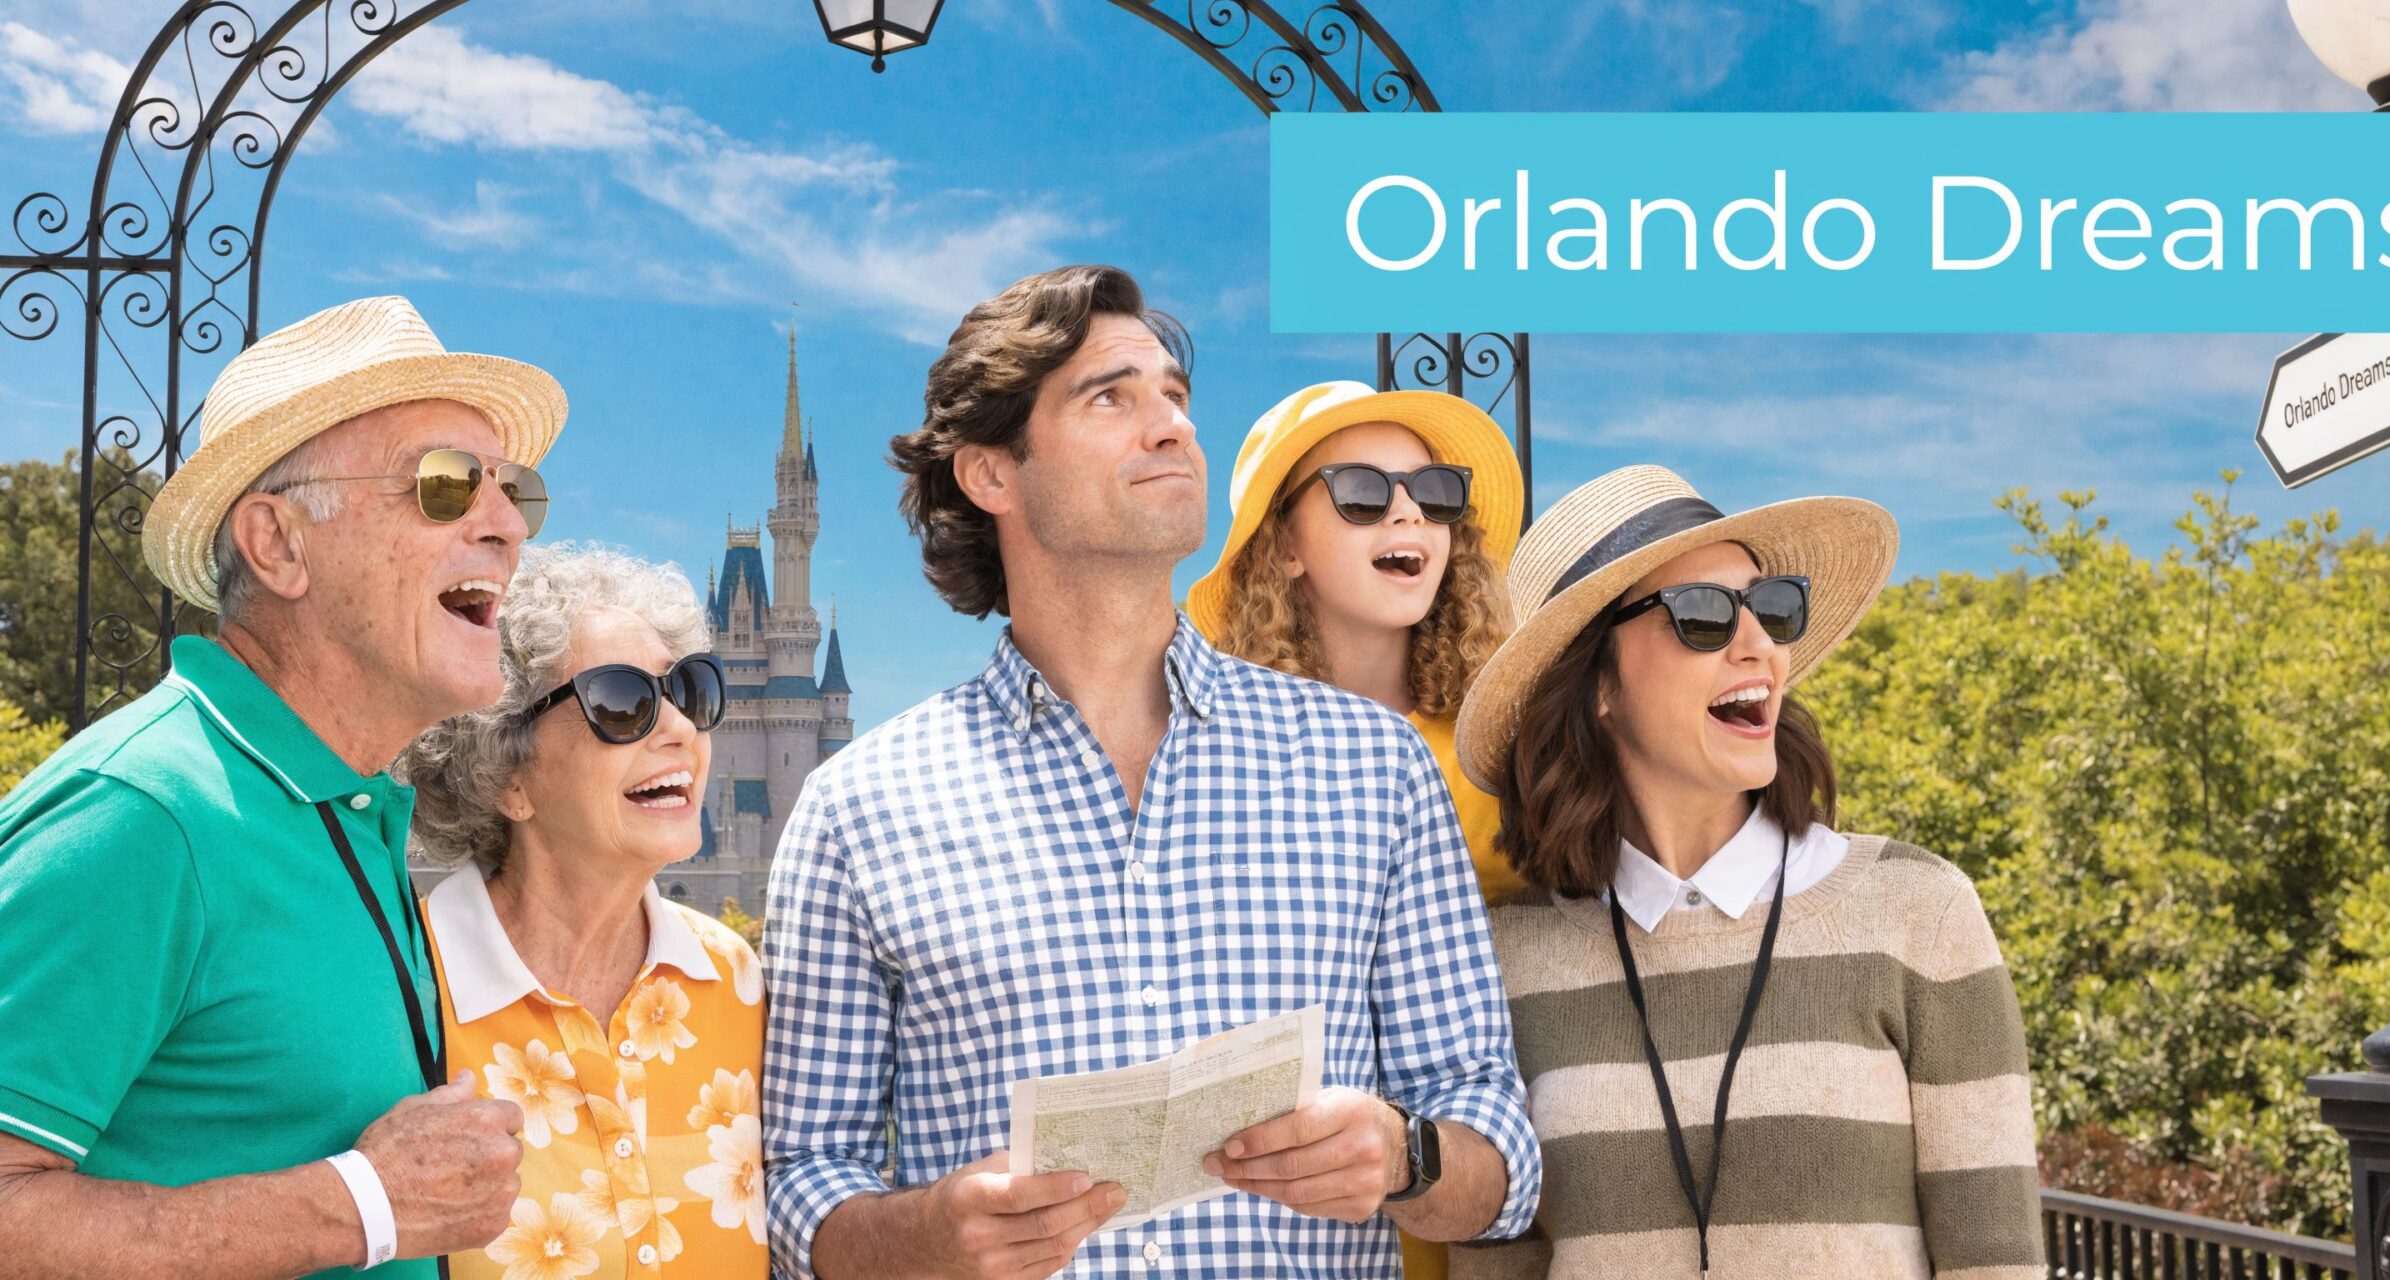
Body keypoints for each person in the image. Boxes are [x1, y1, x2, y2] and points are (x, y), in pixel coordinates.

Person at [761, 265, 1540, 1280]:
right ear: (991, 473)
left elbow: (1501, 1158)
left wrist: (1406, 1153)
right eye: (1111, 397)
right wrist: (924, 1231)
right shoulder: (858, 805)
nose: (1171, 425)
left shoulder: (1374, 767)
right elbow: (797, 1179)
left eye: (1174, 395)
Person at [0, 295, 564, 1278]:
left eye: (516, 491)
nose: (509, 525)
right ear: (279, 543)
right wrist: (359, 1203)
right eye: (445, 484)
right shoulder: (142, 813)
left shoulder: (344, 805)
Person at [1449, 465, 2043, 1280]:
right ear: (1596, 688)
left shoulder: (1917, 913)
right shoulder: (1503, 959)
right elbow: (1497, 1265)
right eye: (1700, 615)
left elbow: (1996, 1261)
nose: (1759, 641)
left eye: (1772, 607)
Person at [1184, 380, 1527, 1280]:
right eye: (1364, 494)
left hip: (1480, 1177)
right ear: (1285, 547)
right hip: (1287, 1204)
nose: (1408, 513)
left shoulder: (1510, 747)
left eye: (1436, 494)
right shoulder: (1210, 760)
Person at [398, 543, 768, 1279]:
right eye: (623, 703)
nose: (680, 731)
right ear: (505, 775)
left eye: (690, 692)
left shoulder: (734, 981)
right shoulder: (398, 986)